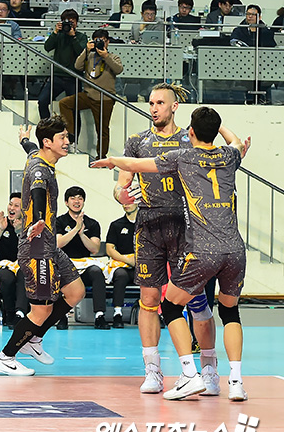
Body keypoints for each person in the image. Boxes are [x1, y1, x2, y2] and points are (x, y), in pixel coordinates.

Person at [92, 106, 250, 402]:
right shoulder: (230, 157)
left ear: (191, 132)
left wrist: (112, 160)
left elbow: (138, 164)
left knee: (171, 306)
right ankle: (236, 382)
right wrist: (219, 126)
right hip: (235, 250)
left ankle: (190, 374)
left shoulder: (184, 156)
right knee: (230, 312)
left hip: (202, 249)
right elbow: (237, 143)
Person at [106, 82, 220, 396]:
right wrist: (120, 195)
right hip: (149, 226)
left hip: (186, 227)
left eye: (159, 103)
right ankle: (153, 371)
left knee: (196, 300)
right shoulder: (137, 141)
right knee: (149, 299)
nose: (154, 108)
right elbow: (122, 183)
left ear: (174, 107)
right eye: (151, 103)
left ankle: (209, 370)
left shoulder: (190, 139)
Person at [0, 118, 85, 375]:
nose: (67, 142)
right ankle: (5, 357)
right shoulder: (40, 170)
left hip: (49, 245)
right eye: (62, 138)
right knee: (41, 310)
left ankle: (34, 339)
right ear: (48, 142)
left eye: (66, 136)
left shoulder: (36, 154)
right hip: (36, 248)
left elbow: (30, 146)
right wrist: (40, 219)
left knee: (75, 291)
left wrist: (23, 139)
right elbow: (38, 193)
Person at [58, 29, 122, 159]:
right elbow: (77, 66)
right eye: (97, 41)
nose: (100, 43)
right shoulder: (90, 56)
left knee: (102, 129)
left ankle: (101, 156)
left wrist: (105, 56)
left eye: (103, 41)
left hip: (105, 98)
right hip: (87, 95)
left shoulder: (113, 57)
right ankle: (71, 136)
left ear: (107, 42)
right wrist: (86, 50)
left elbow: (118, 69)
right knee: (65, 103)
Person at [56, 186, 109, 329]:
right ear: (66, 202)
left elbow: (95, 248)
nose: (76, 201)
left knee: (96, 272)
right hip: (65, 265)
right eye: (73, 198)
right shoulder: (59, 221)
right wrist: (75, 229)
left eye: (80, 198)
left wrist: (81, 233)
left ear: (83, 202)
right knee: (57, 272)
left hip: (85, 266)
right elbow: (58, 243)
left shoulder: (92, 224)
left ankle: (99, 315)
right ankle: (62, 316)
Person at [0, 192, 29, 329]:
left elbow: (32, 249)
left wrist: (20, 232)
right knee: (7, 277)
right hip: (3, 264)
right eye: (10, 204)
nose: (12, 208)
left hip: (22, 264)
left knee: (23, 274)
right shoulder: (0, 222)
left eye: (16, 206)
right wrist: (1, 230)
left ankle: (20, 313)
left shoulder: (29, 224)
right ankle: (9, 312)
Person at [38, 9, 87, 120]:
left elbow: (81, 53)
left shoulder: (81, 37)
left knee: (74, 109)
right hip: (57, 76)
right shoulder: (59, 35)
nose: (70, 24)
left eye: (72, 21)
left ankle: (74, 132)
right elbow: (47, 47)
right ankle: (47, 126)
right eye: (67, 22)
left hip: (74, 77)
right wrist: (55, 32)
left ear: (77, 23)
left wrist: (73, 37)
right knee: (42, 101)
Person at [104, 201, 138, 328]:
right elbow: (110, 249)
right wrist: (128, 260)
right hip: (123, 264)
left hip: (142, 265)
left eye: (130, 202)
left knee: (153, 275)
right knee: (120, 275)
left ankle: (157, 313)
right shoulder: (116, 225)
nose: (126, 205)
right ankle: (117, 313)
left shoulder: (146, 225)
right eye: (124, 202)